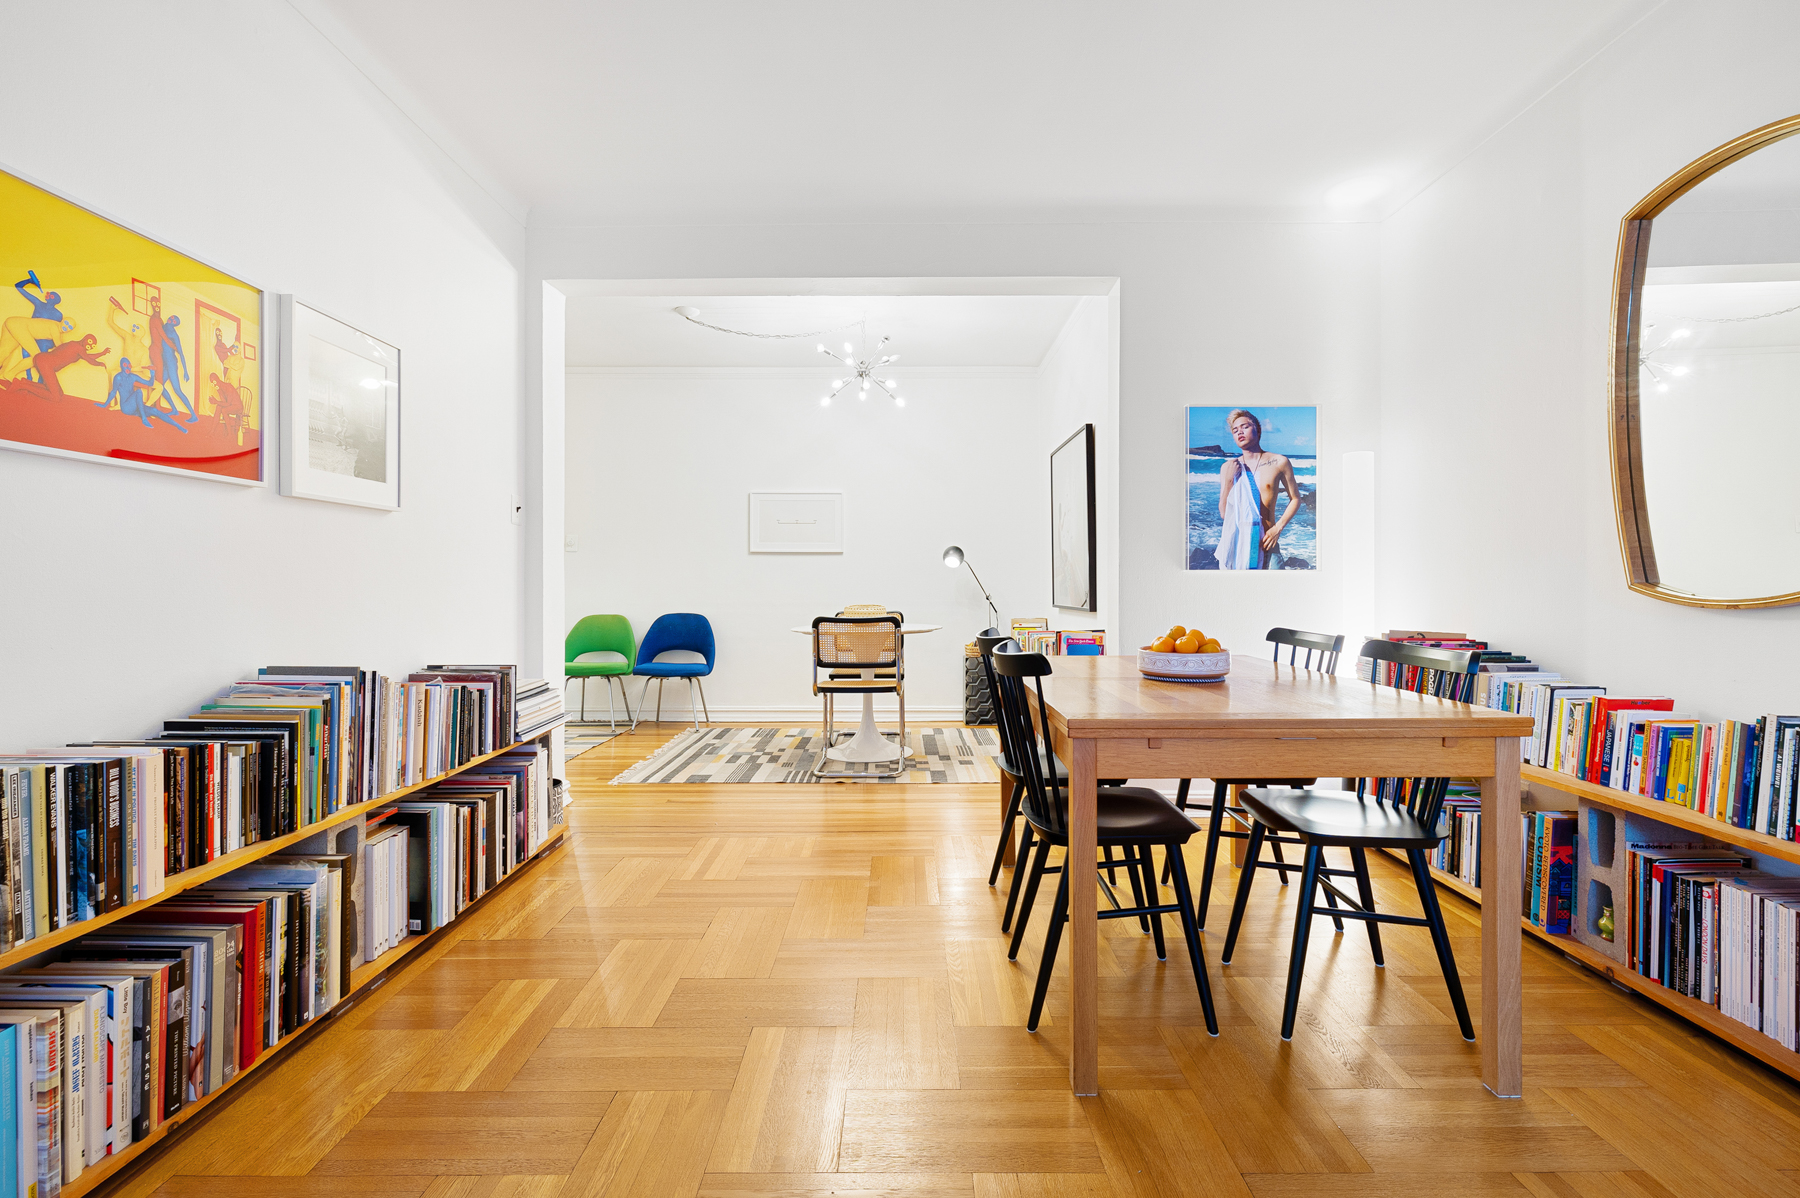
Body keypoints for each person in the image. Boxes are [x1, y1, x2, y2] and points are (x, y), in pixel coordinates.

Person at [1214, 408, 1301, 570]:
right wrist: (1228, 480)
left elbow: (1295, 499)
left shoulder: (1279, 462)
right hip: (1239, 544)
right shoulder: (1228, 467)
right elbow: (1224, 514)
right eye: (1235, 430)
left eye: (1245, 427)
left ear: (1258, 429)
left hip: (1268, 544)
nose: (1239, 431)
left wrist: (1277, 528)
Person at [104, 357, 186, 431]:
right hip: (126, 408)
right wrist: (105, 405)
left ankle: (178, 426)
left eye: (129, 365)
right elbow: (113, 392)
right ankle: (144, 419)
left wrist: (152, 375)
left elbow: (149, 384)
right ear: (121, 366)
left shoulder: (133, 376)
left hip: (136, 407)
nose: (128, 367)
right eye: (125, 365)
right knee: (138, 392)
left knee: (154, 410)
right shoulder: (118, 377)